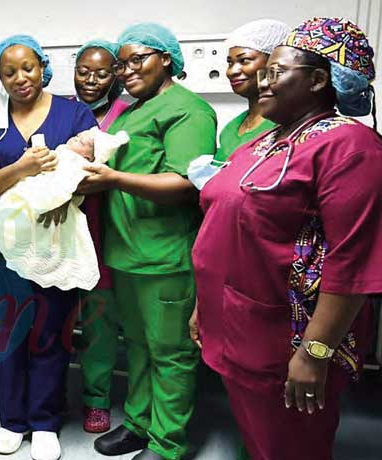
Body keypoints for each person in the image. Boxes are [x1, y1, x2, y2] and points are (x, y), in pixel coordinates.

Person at [190, 17, 381, 460]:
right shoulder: (265, 142)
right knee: (260, 439)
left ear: (318, 80)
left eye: (276, 71)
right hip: (236, 323)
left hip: (288, 337)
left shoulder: (351, 147)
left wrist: (314, 353)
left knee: (293, 446)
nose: (262, 80)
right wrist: (204, 305)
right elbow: (223, 229)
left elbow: (351, 265)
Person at [77, 23, 217, 460]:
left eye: (138, 59)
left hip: (164, 255)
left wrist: (113, 179)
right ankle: (139, 423)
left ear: (166, 59)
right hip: (125, 251)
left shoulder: (189, 110)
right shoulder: (132, 111)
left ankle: (167, 442)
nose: (128, 70)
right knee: (136, 347)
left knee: (170, 353)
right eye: (122, 64)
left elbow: (185, 183)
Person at [0, 35, 97, 460]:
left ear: (43, 67)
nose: (20, 78)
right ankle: (12, 420)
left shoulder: (74, 114)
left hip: (56, 241)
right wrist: (21, 168)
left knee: (51, 331)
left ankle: (44, 421)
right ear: (0, 77)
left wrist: (57, 192)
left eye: (28, 67)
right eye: (9, 72)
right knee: (9, 333)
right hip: (4, 246)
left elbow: (92, 169)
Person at [70, 38, 131, 434]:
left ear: (116, 76)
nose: (91, 80)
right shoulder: (60, 110)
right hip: (61, 228)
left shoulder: (128, 115)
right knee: (54, 315)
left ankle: (97, 398)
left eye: (102, 73)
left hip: (104, 230)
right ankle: (49, 391)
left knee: (99, 320)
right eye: (83, 71)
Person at [187, 19, 289, 190]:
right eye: (230, 63)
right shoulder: (231, 128)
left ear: (274, 64)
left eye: (244, 61)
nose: (231, 71)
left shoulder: (283, 125)